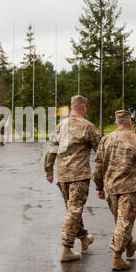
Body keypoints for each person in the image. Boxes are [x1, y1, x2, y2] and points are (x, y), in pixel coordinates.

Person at [92, 110, 136, 271]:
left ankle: (129, 246)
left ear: (117, 123)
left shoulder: (106, 140)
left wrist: (99, 187)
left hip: (111, 188)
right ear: (129, 123)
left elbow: (98, 166)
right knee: (125, 221)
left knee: (121, 220)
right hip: (129, 188)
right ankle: (117, 258)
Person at [44, 95, 100, 262]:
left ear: (71, 107)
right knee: (74, 209)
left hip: (63, 176)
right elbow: (101, 152)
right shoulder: (88, 126)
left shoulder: (61, 126)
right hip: (79, 176)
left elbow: (51, 150)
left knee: (72, 209)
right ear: (83, 107)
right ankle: (67, 248)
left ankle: (84, 238)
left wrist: (48, 170)